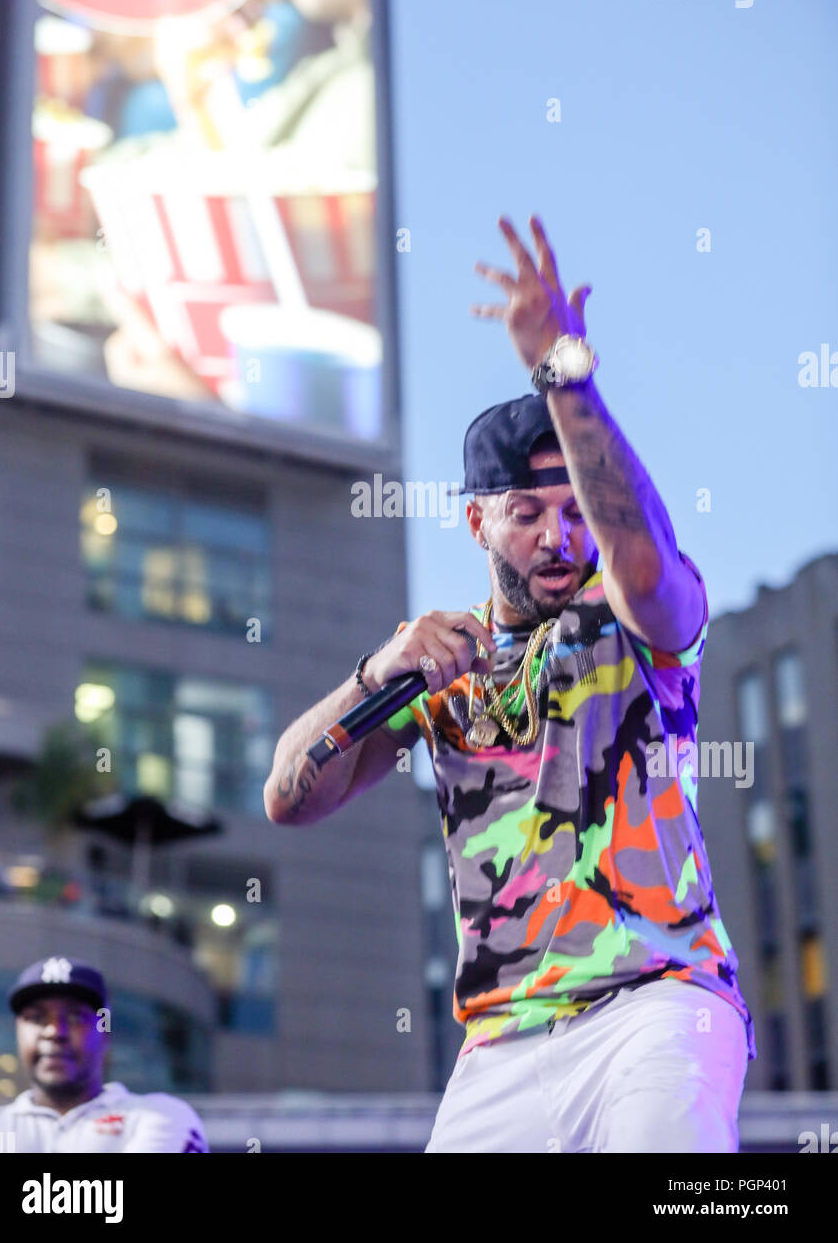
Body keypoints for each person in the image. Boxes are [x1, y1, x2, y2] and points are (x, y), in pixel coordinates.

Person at [264, 214, 756, 1153]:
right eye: (527, 514)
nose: (558, 538)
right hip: (501, 1043)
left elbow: (645, 569)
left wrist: (565, 372)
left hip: (658, 999)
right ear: (476, 523)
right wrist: (379, 670)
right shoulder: (439, 669)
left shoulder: (631, 619)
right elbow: (289, 794)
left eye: (574, 513)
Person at [0, 956, 208, 1152]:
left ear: (105, 1030)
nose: (55, 1031)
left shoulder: (160, 1117)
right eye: (36, 1018)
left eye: (76, 1016)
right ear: (18, 1031)